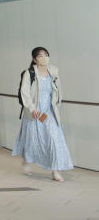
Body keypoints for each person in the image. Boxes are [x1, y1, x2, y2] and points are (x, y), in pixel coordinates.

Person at [12, 46, 73, 181]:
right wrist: (32, 108)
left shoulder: (54, 71)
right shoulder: (29, 73)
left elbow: (58, 91)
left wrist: (57, 104)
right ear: (34, 59)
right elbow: (25, 93)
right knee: (32, 140)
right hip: (36, 112)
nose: (44, 57)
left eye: (46, 54)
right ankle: (27, 162)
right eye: (40, 56)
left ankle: (55, 171)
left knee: (53, 138)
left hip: (49, 113)